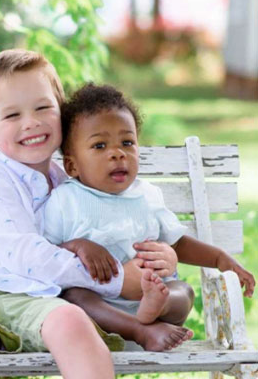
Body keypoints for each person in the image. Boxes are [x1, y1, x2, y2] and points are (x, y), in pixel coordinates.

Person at [0, 49, 141, 379]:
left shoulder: (64, 181)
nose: (31, 122)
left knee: (72, 323)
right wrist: (117, 280)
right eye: (12, 115)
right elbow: (27, 255)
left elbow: (71, 234)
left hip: (37, 299)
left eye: (43, 108)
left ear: (61, 114)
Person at [44, 83, 255, 350]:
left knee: (183, 291)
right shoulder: (65, 200)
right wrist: (78, 246)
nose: (117, 153)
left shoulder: (147, 195)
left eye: (127, 142)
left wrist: (219, 258)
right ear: (72, 165)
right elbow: (44, 252)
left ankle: (159, 304)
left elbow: (177, 242)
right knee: (74, 296)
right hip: (99, 314)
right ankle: (137, 328)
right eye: (99, 146)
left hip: (154, 304)